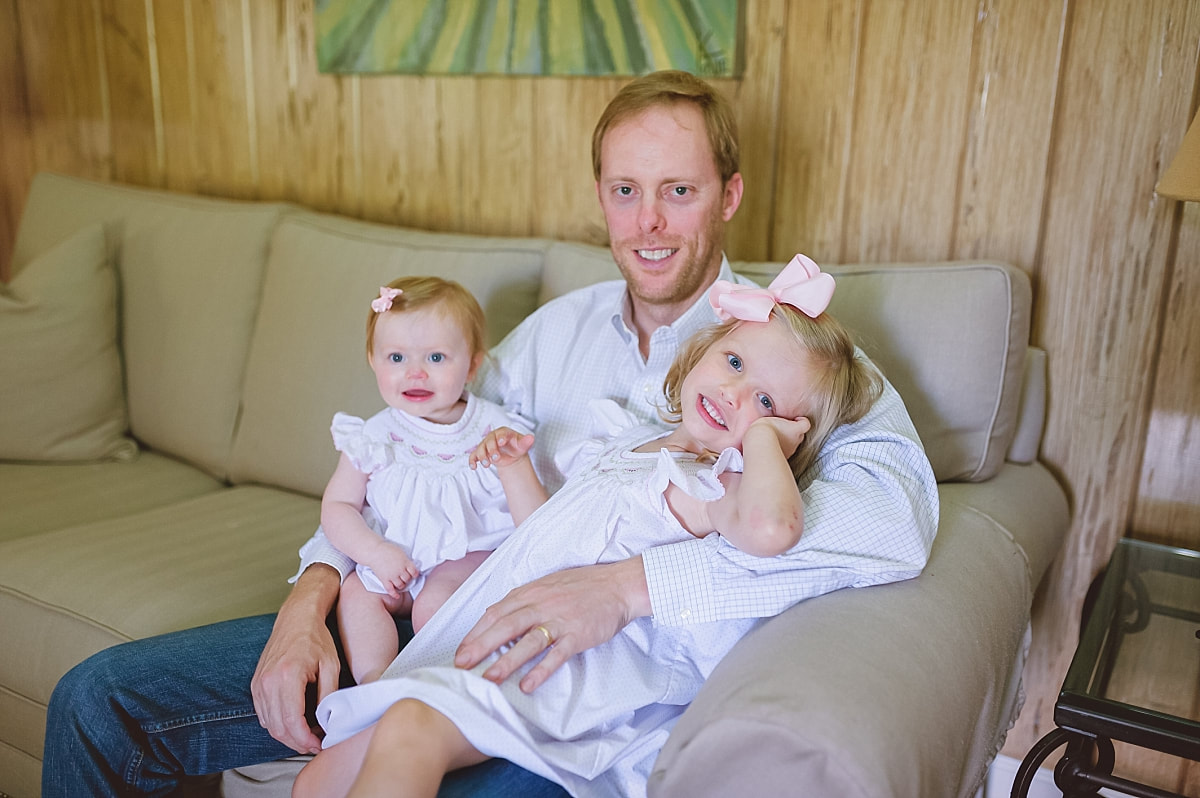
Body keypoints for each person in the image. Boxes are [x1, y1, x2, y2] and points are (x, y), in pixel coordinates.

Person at [42, 70, 938, 797]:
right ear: (600, 196)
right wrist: (311, 598)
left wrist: (629, 587)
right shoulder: (557, 334)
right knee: (97, 698)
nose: (649, 222)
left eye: (679, 190)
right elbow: (408, 446)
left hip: (574, 688)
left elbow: (886, 522)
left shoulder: (793, 357)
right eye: (626, 191)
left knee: (418, 751)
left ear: (730, 195)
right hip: (422, 617)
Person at [291, 256, 890, 798]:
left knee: (411, 729)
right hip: (496, 626)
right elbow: (541, 528)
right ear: (703, 349)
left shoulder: (715, 483)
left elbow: (771, 528)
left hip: (569, 665)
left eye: (766, 403)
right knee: (319, 778)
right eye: (733, 362)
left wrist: (761, 444)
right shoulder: (633, 441)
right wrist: (514, 467)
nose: (735, 394)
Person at [316, 276, 539, 685]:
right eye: (396, 358)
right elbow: (337, 507)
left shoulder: (495, 430)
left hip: (463, 560)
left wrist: (513, 462)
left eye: (436, 358)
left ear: (471, 363)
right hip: (392, 559)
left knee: (436, 602)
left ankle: (438, 681)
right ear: (372, 359)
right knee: (355, 594)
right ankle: (375, 680)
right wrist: (375, 553)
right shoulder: (371, 436)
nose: (415, 373)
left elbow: (537, 521)